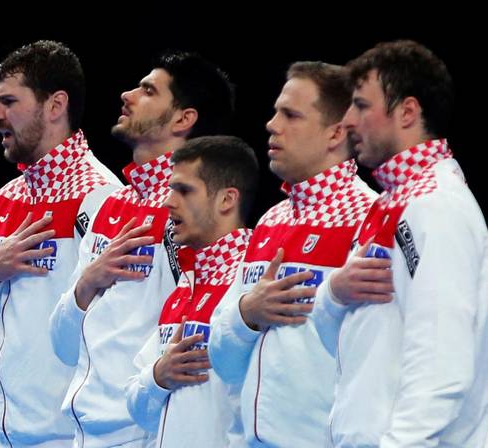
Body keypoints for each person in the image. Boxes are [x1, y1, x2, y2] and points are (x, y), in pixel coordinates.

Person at [50, 50, 234, 446]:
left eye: (148, 91)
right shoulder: (112, 204)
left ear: (184, 119)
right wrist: (89, 280)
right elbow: (63, 346)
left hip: (143, 431)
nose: (127, 95)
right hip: (82, 432)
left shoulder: (194, 212)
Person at [311, 40, 488, 447]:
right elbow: (345, 347)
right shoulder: (390, 204)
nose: (347, 121)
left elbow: (441, 359)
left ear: (407, 112)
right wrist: (333, 294)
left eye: (361, 105)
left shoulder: (436, 204)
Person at [0, 40, 122, 447]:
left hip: (65, 435)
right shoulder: (6, 198)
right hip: (0, 435)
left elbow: (108, 332)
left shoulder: (101, 195)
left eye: (9, 101)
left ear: (55, 105)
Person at [208, 61, 376, 447]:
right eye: (275, 112)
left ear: (336, 132)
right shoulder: (270, 221)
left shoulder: (369, 218)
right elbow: (223, 361)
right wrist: (247, 313)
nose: (272, 124)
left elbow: (375, 359)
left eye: (291, 115)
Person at [125, 136, 258, 447]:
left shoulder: (251, 279)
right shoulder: (186, 284)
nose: (168, 202)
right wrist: (159, 376)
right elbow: (138, 409)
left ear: (226, 200)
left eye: (184, 191)